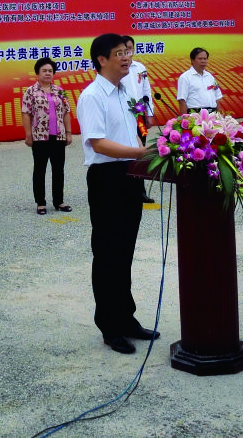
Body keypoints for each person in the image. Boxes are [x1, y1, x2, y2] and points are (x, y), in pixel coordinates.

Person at [76, 32, 159, 355]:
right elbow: (99, 144)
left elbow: (132, 132)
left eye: (128, 52)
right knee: (108, 253)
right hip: (107, 178)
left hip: (130, 176)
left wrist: (144, 152)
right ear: (102, 60)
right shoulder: (92, 96)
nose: (127, 57)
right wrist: (142, 153)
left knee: (125, 251)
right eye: (119, 53)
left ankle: (127, 318)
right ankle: (110, 327)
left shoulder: (127, 91)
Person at [21, 58, 73, 214]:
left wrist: (68, 132)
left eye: (50, 71)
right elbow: (26, 113)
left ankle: (59, 201)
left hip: (58, 136)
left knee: (58, 170)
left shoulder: (60, 91)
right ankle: (41, 203)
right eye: (44, 71)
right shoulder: (30, 91)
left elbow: (66, 112)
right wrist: (28, 134)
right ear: (37, 73)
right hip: (39, 137)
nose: (48, 73)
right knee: (40, 169)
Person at [122, 35, 157, 204]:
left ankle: (140, 191)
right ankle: (124, 188)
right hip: (123, 115)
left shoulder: (140, 67)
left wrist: (149, 114)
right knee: (125, 149)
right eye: (124, 49)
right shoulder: (117, 68)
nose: (127, 52)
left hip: (139, 115)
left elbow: (146, 91)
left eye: (130, 48)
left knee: (141, 150)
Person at [176, 47, 224, 114]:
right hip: (195, 115)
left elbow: (216, 98)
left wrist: (219, 116)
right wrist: (185, 118)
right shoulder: (185, 77)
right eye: (200, 59)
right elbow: (182, 100)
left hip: (212, 114)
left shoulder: (210, 77)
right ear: (192, 60)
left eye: (205, 59)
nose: (203, 61)